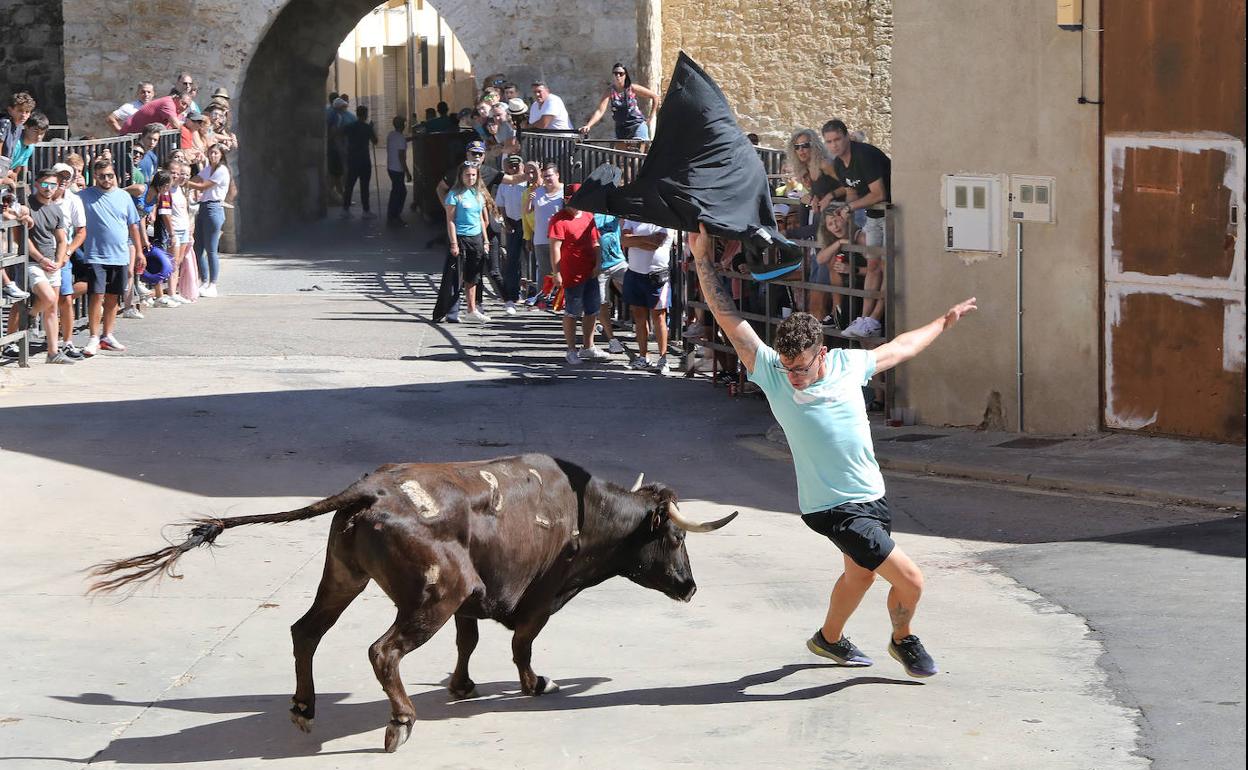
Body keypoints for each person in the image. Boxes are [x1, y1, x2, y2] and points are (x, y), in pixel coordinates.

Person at [688, 223, 977, 678]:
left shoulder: (847, 363)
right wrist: (702, 258)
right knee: (911, 579)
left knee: (860, 575)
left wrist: (943, 322)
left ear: (821, 353)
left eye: (801, 368)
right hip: (831, 506)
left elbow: (900, 348)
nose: (794, 377)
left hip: (870, 495)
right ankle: (903, 641)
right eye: (788, 368)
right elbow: (727, 316)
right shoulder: (771, 372)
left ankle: (828, 638)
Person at [821, 119, 891, 337]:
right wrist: (842, 208)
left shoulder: (864, 155)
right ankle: (863, 318)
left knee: (888, 269)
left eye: (837, 139)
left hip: (891, 216)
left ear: (846, 136)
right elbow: (852, 192)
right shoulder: (839, 164)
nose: (834, 145)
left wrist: (850, 207)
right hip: (873, 216)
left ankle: (874, 319)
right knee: (873, 266)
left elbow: (879, 194)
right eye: (829, 142)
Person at [2, 169, 72, 363]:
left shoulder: (56, 209)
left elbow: (61, 239)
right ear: (37, 183)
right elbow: (20, 237)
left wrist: (59, 260)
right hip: (32, 262)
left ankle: (52, 352)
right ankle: (29, 318)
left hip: (52, 262)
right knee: (47, 298)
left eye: (53, 185)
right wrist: (41, 259)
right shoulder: (27, 206)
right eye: (45, 184)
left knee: (51, 307)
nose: (48, 188)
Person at [79, 158, 143, 356]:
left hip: (120, 255)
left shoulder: (124, 196)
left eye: (109, 175)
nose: (106, 179)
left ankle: (107, 335)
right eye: (102, 176)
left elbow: (134, 225)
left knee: (113, 298)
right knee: (96, 296)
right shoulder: (84, 196)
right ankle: (93, 337)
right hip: (96, 255)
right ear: (95, 176)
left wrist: (140, 252)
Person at [548, 184, 610, 365]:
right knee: (572, 312)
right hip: (571, 273)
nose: (572, 203)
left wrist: (598, 264)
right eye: (569, 199)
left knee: (592, 310)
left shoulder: (589, 216)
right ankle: (571, 349)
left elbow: (596, 242)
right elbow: (555, 248)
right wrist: (557, 273)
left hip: (590, 271)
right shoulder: (558, 220)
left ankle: (588, 347)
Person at [436, 162, 491, 323]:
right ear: (461, 176)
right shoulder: (454, 194)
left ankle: (471, 309)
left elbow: (481, 219)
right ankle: (451, 311)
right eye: (467, 175)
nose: (471, 178)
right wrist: (454, 243)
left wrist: (486, 240)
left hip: (476, 238)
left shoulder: (477, 193)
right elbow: (450, 220)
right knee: (455, 275)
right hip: (460, 237)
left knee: (473, 276)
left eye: (473, 175)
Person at [620, 218, 676, 374]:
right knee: (639, 316)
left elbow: (657, 243)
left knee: (659, 317)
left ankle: (663, 358)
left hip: (657, 275)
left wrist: (635, 241)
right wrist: (646, 240)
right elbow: (624, 240)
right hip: (634, 273)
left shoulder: (664, 220)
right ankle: (643, 356)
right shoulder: (633, 218)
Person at [184, 143, 231, 297]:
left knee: (211, 249)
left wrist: (185, 182)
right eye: (211, 153)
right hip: (203, 207)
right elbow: (198, 178)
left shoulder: (222, 170)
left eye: (216, 153)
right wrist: (187, 176)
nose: (213, 156)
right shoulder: (208, 168)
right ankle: (204, 281)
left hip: (214, 208)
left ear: (221, 155)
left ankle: (213, 284)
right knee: (198, 248)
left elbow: (204, 186)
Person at [579, 64, 660, 141]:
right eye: (615, 73)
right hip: (621, 127)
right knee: (621, 155)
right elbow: (600, 111)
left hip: (636, 124)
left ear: (625, 75)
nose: (618, 76)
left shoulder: (632, 88)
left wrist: (651, 117)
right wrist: (588, 125)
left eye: (621, 73)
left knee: (638, 151)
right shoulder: (610, 91)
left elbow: (655, 97)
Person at [528, 163, 565, 304]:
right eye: (545, 176)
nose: (547, 179)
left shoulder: (563, 192)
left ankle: (560, 300)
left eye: (550, 175)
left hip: (560, 238)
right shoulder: (538, 191)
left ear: (557, 175)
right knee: (544, 270)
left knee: (561, 269)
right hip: (541, 238)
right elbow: (527, 211)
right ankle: (543, 300)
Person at [496, 154, 528, 314]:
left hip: (527, 223)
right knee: (512, 259)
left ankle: (532, 293)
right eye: (511, 166)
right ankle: (513, 294)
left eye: (517, 165)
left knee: (530, 259)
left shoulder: (527, 183)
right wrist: (505, 221)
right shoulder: (504, 184)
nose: (514, 169)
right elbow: (500, 204)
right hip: (512, 222)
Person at [593, 210, 627, 354]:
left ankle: (646, 327)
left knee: (635, 291)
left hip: (618, 261)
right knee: (602, 303)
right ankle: (612, 339)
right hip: (599, 266)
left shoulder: (614, 213)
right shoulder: (590, 216)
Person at [342, 105, 378, 218]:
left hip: (352, 159)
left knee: (349, 185)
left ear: (357, 114)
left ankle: (345, 209)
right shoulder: (367, 127)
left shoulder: (350, 126)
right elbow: (375, 141)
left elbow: (341, 134)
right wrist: (372, 128)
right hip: (364, 160)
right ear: (365, 115)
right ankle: (366, 211)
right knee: (364, 186)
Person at [121, 90, 190, 134]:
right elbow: (176, 125)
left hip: (143, 138)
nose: (184, 107)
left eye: (187, 106)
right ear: (176, 98)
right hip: (130, 136)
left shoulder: (177, 110)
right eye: (183, 103)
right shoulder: (168, 103)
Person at [385, 116, 410, 225]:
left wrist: (412, 139)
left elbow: (401, 141)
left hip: (391, 168)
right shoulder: (400, 138)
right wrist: (407, 172)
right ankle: (395, 216)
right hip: (397, 169)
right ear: (402, 125)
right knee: (399, 193)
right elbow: (401, 157)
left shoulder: (392, 135)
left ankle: (392, 214)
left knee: (396, 191)